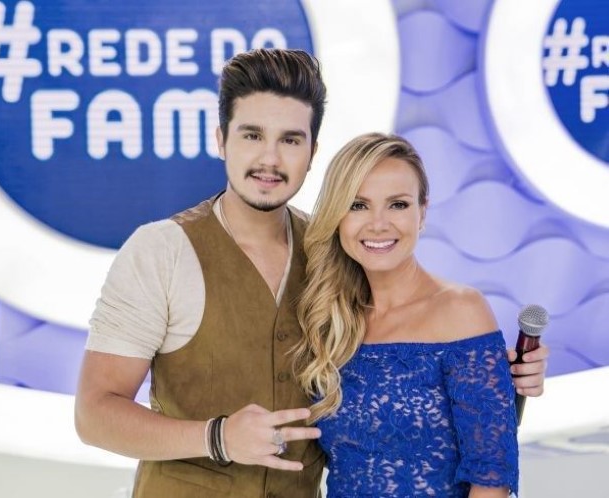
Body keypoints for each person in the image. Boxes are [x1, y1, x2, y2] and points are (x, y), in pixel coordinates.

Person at [75, 49, 547, 497]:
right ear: (221, 139)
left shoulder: (333, 251)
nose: (270, 159)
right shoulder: (160, 251)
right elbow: (94, 415)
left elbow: (418, 370)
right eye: (252, 135)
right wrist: (216, 437)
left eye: (290, 140)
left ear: (312, 151)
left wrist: (501, 375)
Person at [295, 132, 521, 498]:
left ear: (422, 213)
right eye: (358, 205)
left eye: (397, 205)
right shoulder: (330, 320)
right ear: (338, 217)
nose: (378, 224)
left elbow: (491, 480)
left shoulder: (461, 311)